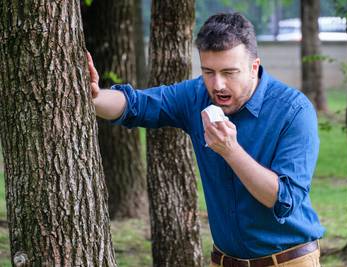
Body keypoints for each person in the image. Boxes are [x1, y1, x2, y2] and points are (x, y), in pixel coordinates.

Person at [89, 12, 324, 267]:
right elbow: (138, 105)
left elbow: (282, 199)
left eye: (229, 72)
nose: (218, 84)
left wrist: (231, 151)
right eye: (208, 72)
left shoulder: (294, 111)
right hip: (223, 261)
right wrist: (93, 97)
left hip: (288, 262)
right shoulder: (197, 95)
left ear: (254, 67)